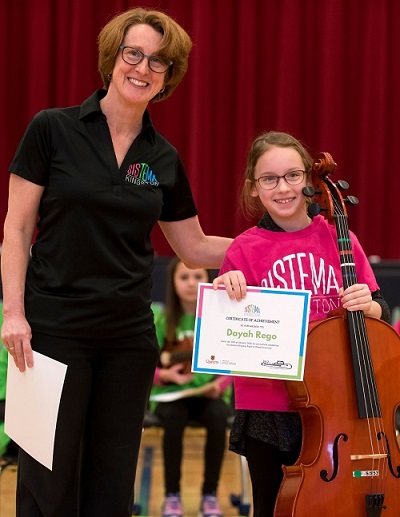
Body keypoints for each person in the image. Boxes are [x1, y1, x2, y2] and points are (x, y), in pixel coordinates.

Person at [0, 8, 232, 517]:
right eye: (134, 53)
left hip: (127, 338)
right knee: (47, 477)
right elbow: (16, 229)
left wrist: (272, 245)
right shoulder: (52, 129)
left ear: (168, 77)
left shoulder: (163, 157)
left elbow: (192, 246)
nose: (143, 68)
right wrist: (13, 313)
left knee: (111, 481)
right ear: (113, 57)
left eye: (159, 61)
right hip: (53, 331)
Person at [211, 131, 391, 517]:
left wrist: (372, 307)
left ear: (309, 180)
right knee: (276, 508)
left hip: (340, 406)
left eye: (293, 175)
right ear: (253, 188)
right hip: (270, 407)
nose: (283, 188)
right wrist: (227, 292)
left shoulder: (341, 238)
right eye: (269, 179)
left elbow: (380, 311)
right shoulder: (242, 249)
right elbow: (231, 334)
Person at [150, 257, 232, 517]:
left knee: (218, 417)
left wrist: (219, 386)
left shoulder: (220, 317)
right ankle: (171, 495)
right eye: (183, 277)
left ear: (208, 281)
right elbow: (143, 366)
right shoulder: (161, 318)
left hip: (207, 394)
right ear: (172, 282)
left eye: (197, 277)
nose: (191, 283)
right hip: (170, 395)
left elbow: (234, 361)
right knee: (173, 420)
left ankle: (210, 495)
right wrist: (164, 375)